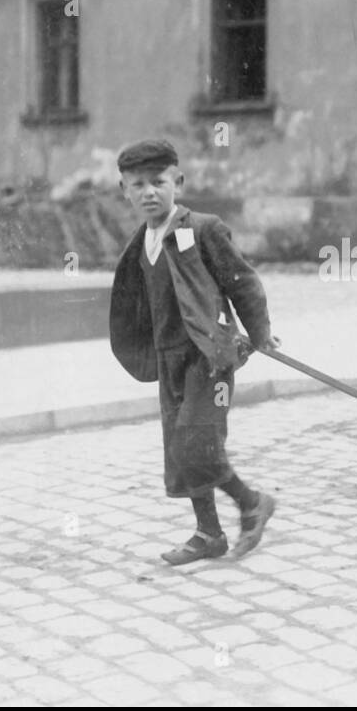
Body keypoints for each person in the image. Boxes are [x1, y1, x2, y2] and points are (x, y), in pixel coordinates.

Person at [108, 139, 278, 565]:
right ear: (124, 190)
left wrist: (259, 333)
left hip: (210, 357)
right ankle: (209, 533)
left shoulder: (202, 228)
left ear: (177, 182)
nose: (149, 192)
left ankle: (252, 502)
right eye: (138, 184)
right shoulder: (139, 243)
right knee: (179, 448)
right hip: (169, 360)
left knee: (196, 443)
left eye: (158, 182)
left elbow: (243, 281)